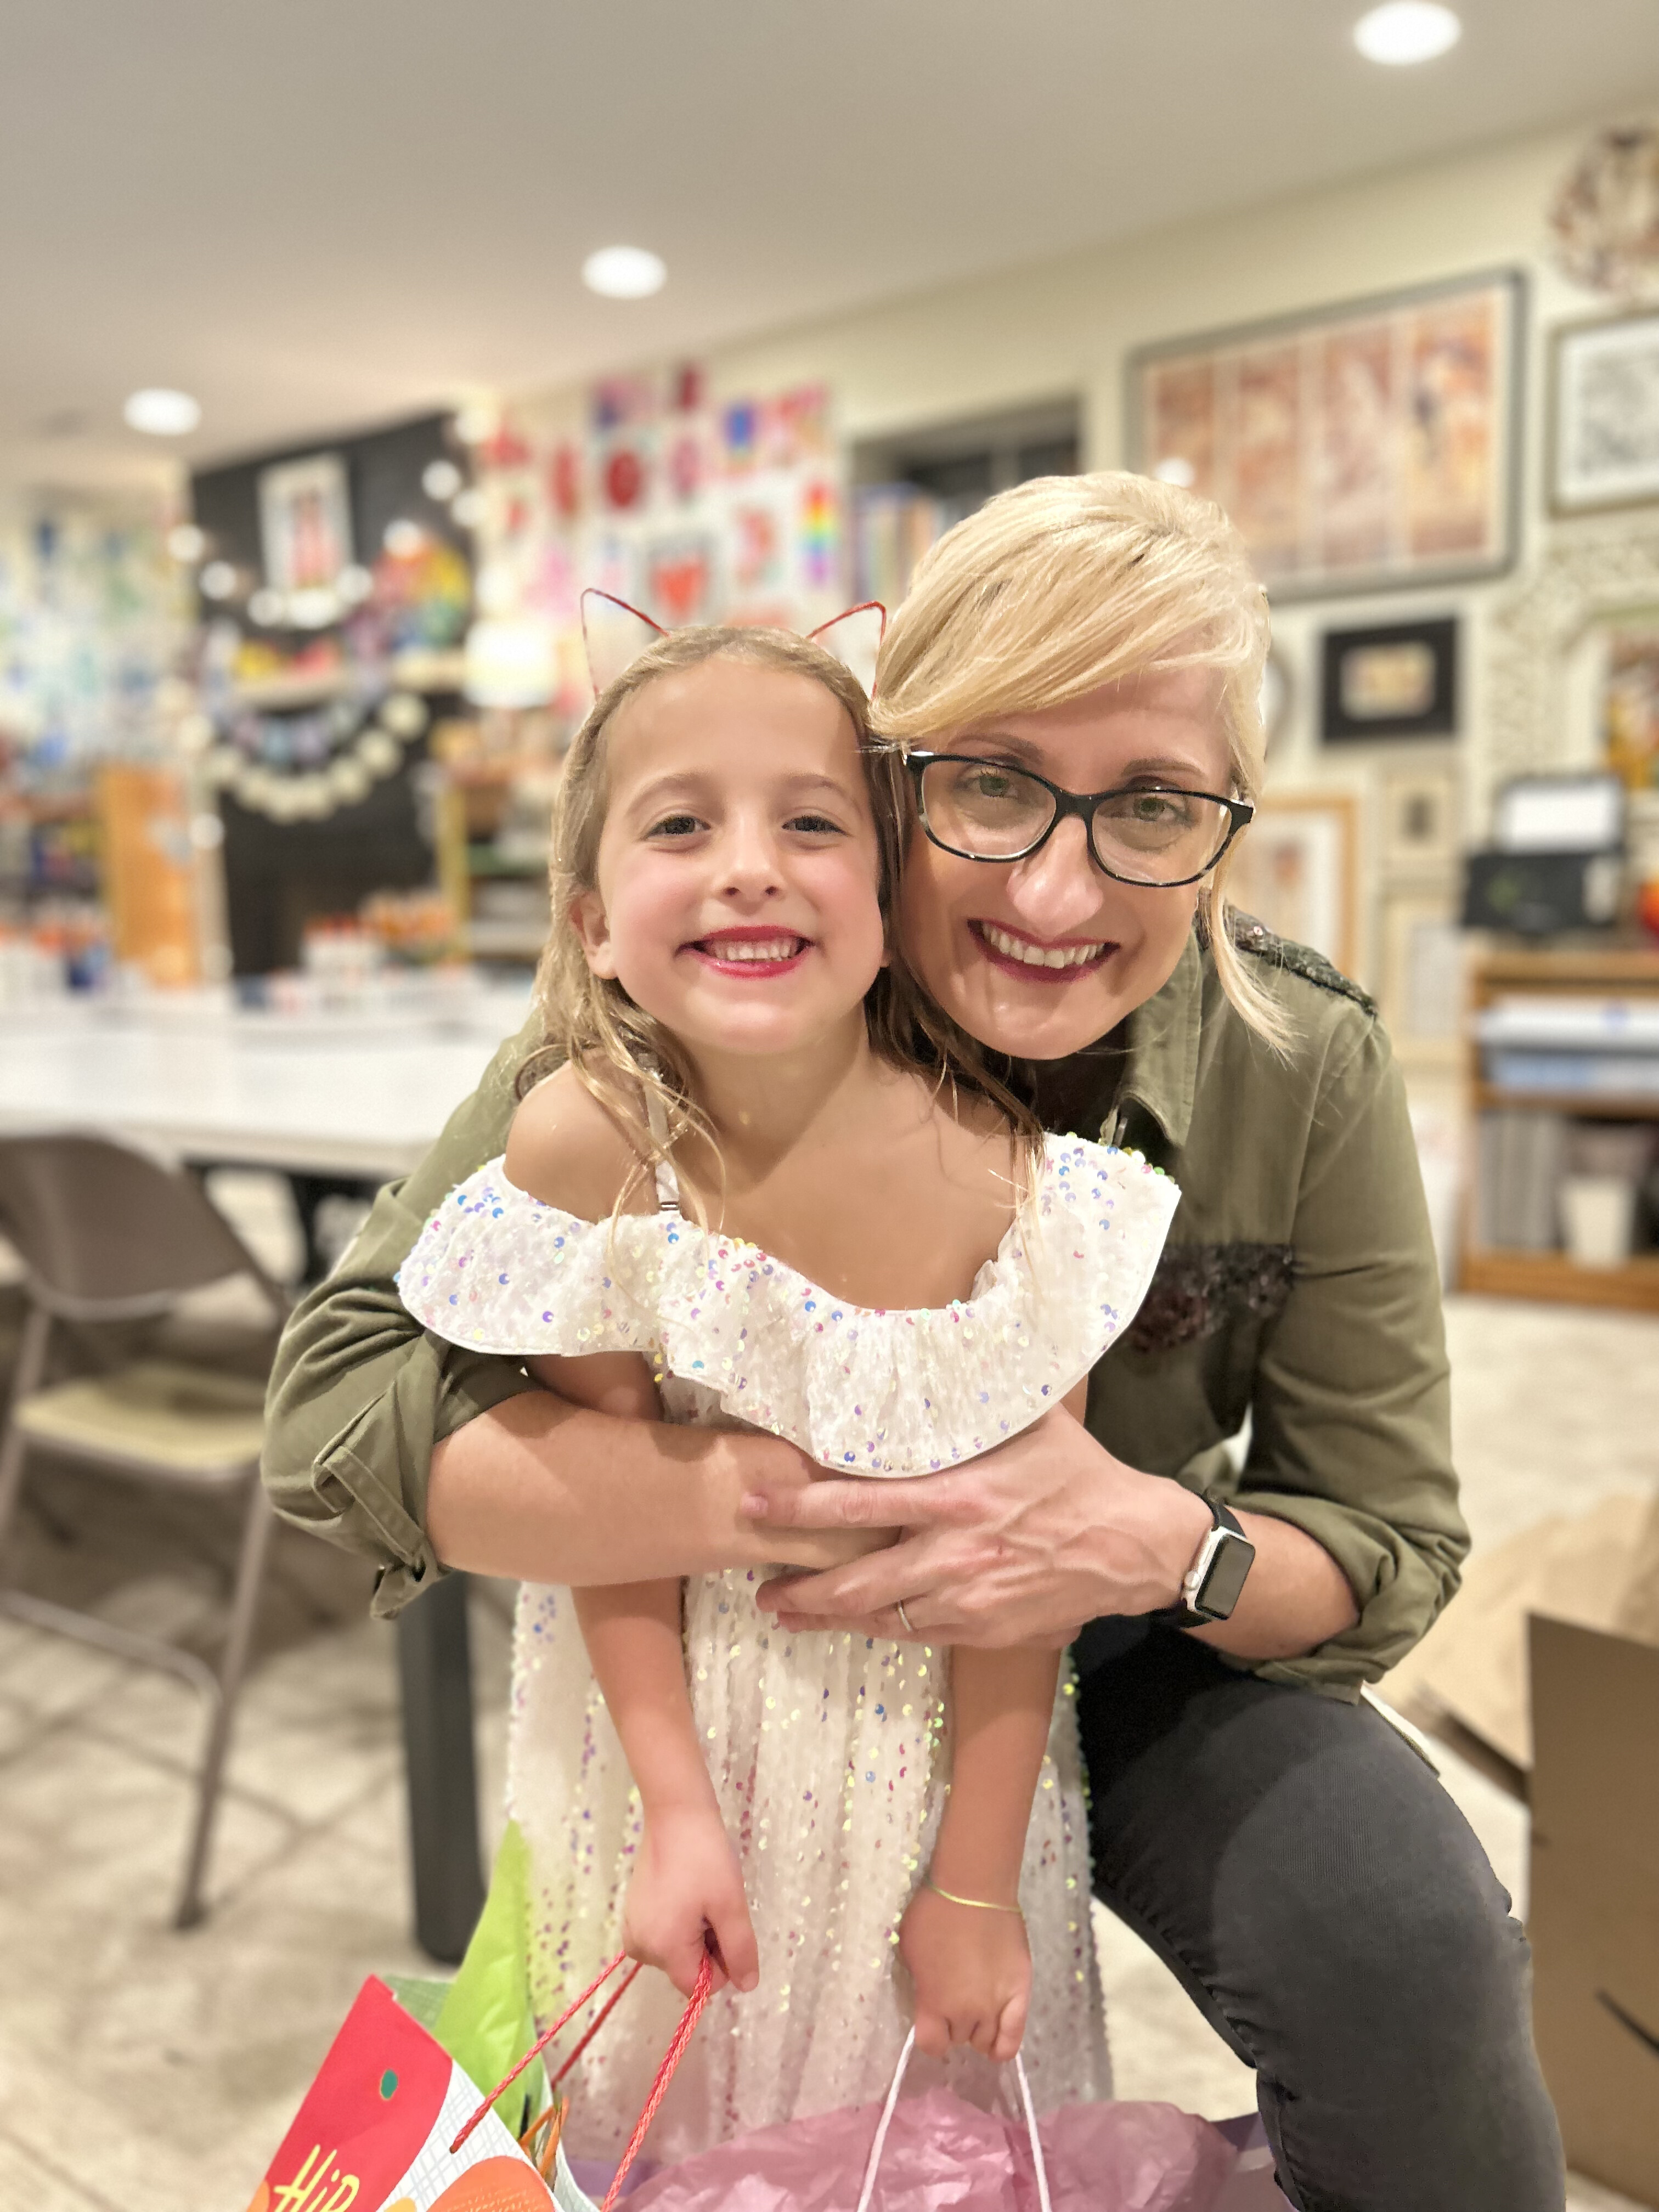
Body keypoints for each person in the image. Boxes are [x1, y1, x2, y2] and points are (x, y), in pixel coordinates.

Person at [264, 474, 1565, 2212]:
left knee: (1405, 1939)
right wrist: (764, 1503)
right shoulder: (701, 989)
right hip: (744, 1633)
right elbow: (340, 1413)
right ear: (895, 789)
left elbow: (1388, 1547)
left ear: (1225, 828)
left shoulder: (1299, 1062)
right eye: (994, 785)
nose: (1055, 883)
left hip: (1133, 1631)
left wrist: (1152, 1540)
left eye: (1155, 804)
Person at [395, 617, 1180, 2157]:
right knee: (667, 2137)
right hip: (660, 1763)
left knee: (908, 2147)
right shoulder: (585, 1145)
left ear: (889, 903)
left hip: (933, 1795)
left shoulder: (1016, 1192)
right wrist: (676, 1813)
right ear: (593, 918)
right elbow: (601, 1516)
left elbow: (1024, 1582)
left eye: (811, 822)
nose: (749, 864)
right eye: (682, 823)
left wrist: (969, 1890)